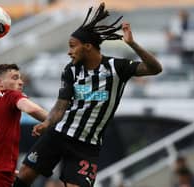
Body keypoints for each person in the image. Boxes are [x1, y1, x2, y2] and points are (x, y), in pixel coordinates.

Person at [14, 2, 162, 187]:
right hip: (59, 134)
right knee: (25, 175)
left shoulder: (117, 68)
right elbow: (61, 106)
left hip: (86, 146)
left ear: (88, 46)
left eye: (73, 46)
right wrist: (47, 123)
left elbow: (155, 68)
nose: (69, 52)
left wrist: (133, 44)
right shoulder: (71, 71)